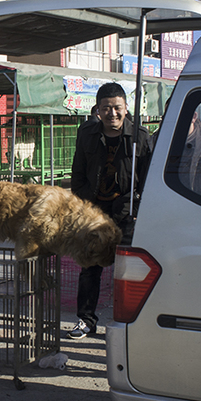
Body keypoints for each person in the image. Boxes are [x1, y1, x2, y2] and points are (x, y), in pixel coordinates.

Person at [69, 82, 152, 340]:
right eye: (106, 108)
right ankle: (86, 320)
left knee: (128, 271)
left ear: (126, 108)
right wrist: (83, 204)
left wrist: (137, 209)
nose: (112, 114)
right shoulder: (87, 134)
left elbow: (147, 179)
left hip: (127, 213)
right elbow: (78, 172)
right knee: (90, 266)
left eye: (117, 108)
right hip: (94, 211)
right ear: (98, 110)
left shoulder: (140, 137)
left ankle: (129, 324)